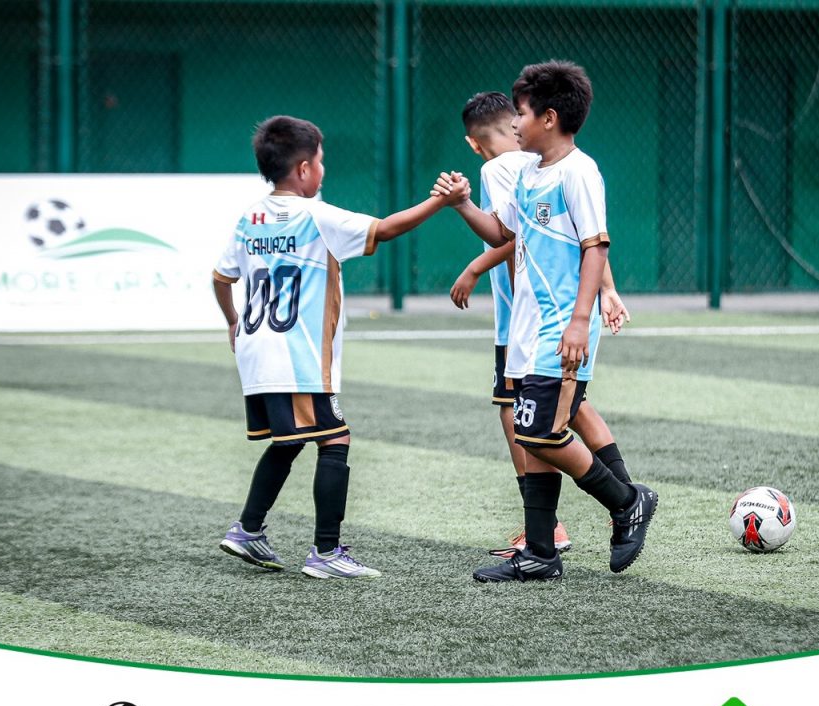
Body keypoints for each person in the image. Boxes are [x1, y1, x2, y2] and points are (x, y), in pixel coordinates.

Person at [213, 114, 467, 579]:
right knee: (335, 439)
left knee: (290, 441)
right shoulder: (316, 215)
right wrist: (441, 201)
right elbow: (385, 229)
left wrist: (232, 320)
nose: (323, 170)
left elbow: (221, 276)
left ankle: (248, 529)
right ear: (304, 169)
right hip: (298, 356)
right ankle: (326, 553)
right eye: (321, 161)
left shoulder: (250, 217)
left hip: (257, 351)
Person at [436, 61, 657, 582]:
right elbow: (501, 234)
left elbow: (595, 246)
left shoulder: (579, 171)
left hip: (561, 329)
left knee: (540, 434)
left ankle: (628, 501)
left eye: (523, 113)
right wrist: (462, 204)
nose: (515, 123)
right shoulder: (529, 173)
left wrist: (581, 319)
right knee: (529, 431)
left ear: (550, 118)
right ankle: (540, 553)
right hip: (527, 328)